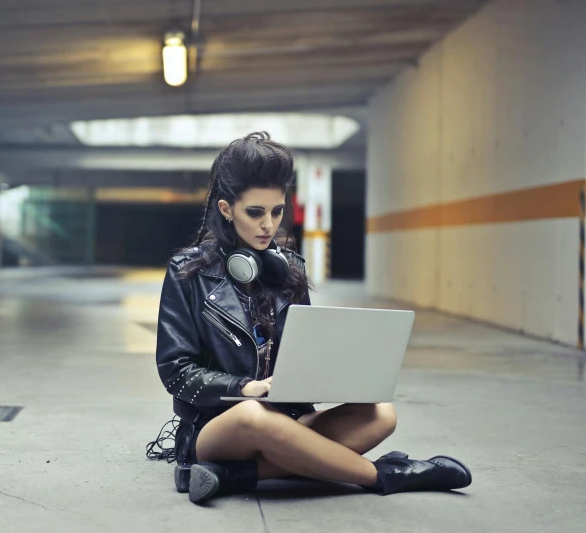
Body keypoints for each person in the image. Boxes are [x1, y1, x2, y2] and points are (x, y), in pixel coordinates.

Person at [149, 132, 471, 504]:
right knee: (253, 415)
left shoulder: (288, 270)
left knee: (381, 414)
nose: (268, 225)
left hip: (287, 421)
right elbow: (176, 370)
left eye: (277, 211)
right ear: (226, 209)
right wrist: (244, 387)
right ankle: (386, 476)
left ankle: (235, 476)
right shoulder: (186, 271)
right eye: (255, 212)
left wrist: (335, 375)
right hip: (219, 426)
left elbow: (305, 351)